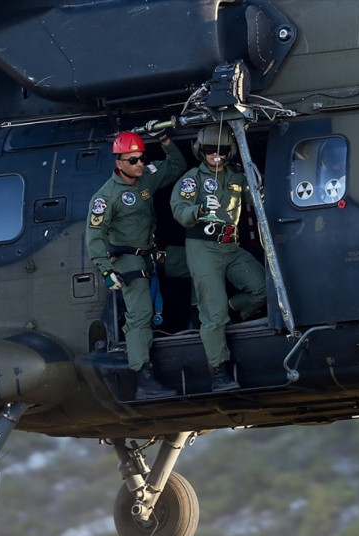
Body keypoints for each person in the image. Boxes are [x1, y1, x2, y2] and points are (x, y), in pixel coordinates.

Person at [86, 126, 186, 399]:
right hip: (128, 262)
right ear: (119, 164)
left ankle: (199, 319)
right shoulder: (105, 198)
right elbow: (94, 237)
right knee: (139, 316)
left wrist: (164, 140)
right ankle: (143, 377)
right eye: (133, 160)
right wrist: (107, 271)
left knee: (198, 264)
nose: (140, 163)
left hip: (153, 254)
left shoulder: (145, 180)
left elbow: (177, 165)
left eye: (142, 157)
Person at [170, 124, 267, 392]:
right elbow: (179, 210)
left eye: (222, 151)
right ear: (201, 151)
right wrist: (199, 208)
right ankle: (218, 372)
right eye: (211, 150)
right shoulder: (193, 180)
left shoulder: (235, 177)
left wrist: (258, 183)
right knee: (213, 316)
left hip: (231, 246)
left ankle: (233, 310)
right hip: (203, 247)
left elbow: (254, 199)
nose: (216, 155)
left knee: (263, 288)